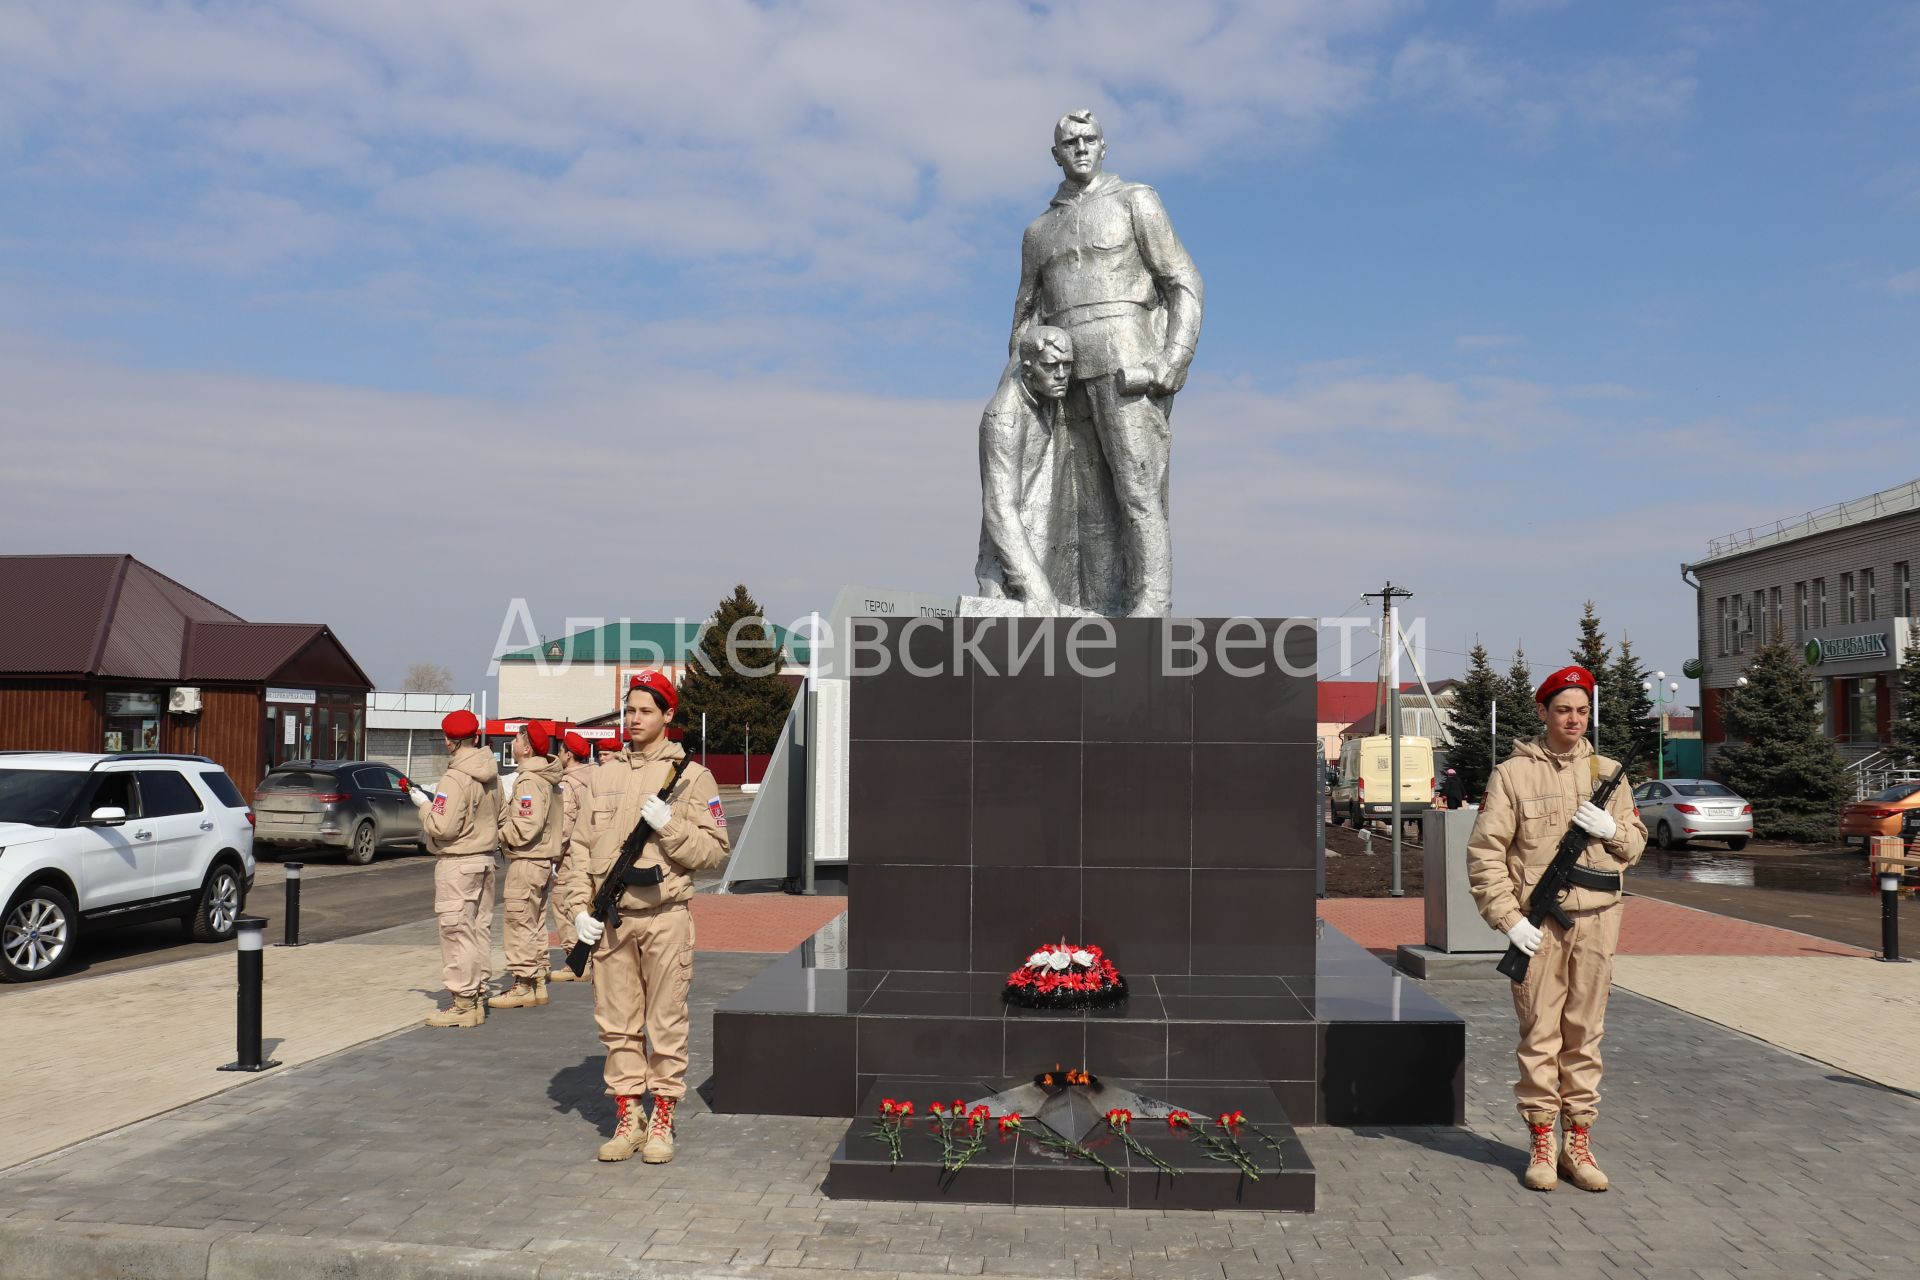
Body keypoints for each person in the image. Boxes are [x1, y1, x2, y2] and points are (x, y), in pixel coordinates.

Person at [1009, 108, 1202, 617]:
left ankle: (1149, 606)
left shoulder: (1136, 200)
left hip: (1128, 367)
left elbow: (1183, 281)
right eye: (1069, 142)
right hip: (1063, 376)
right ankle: (1097, 609)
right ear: (1056, 154)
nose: (1080, 148)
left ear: (1103, 146)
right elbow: (1024, 312)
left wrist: (1171, 362)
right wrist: (1019, 388)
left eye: (1088, 139)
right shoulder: (1038, 232)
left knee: (1138, 490)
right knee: (1085, 506)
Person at [1466, 665, 1646, 1193]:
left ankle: (1579, 1144)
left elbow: (1634, 847)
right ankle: (1542, 1141)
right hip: (1538, 926)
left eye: (1582, 710)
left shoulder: (1608, 773)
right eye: (1564, 709)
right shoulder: (1512, 776)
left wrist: (1613, 829)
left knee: (1585, 1037)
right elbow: (1485, 855)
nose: (1573, 718)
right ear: (1543, 712)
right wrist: (1509, 918)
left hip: (1597, 924)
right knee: (1541, 1035)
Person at [573, 672, 729, 1163]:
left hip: (665, 917)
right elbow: (578, 848)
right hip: (611, 921)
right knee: (617, 1024)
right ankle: (628, 1116)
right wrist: (579, 910)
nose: (634, 719)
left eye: (644, 710)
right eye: (629, 709)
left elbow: (714, 851)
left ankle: (662, 1115)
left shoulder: (692, 776)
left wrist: (673, 825)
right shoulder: (602, 774)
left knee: (665, 1021)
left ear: (667, 716)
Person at [408, 709, 502, 1029]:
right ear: (475, 737)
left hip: (458, 863)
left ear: (449, 742)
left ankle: (464, 1002)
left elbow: (443, 827)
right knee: (477, 930)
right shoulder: (491, 774)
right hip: (486, 859)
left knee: (455, 932)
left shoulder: (454, 778)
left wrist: (423, 806)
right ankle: (477, 993)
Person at [974, 325, 1076, 612]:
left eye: (1066, 366)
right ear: (1029, 370)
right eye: (1050, 366)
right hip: (1008, 569)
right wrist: (1036, 588)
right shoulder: (1003, 417)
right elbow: (999, 508)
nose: (1061, 375)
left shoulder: (1048, 394)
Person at [490, 720, 565, 1010]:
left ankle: (523, 983)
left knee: (518, 921)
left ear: (527, 746)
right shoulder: (544, 777)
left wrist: (501, 836)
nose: (513, 743)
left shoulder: (529, 781)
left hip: (527, 859)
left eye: (517, 739)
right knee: (533, 922)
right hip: (541, 860)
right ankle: (536, 981)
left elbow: (527, 824)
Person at [549, 731, 597, 982]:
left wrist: (553, 857)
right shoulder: (595, 777)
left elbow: (565, 825)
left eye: (561, 751)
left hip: (571, 855)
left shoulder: (569, 784)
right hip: (593, 851)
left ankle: (576, 959)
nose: (558, 755)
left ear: (568, 754)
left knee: (565, 903)